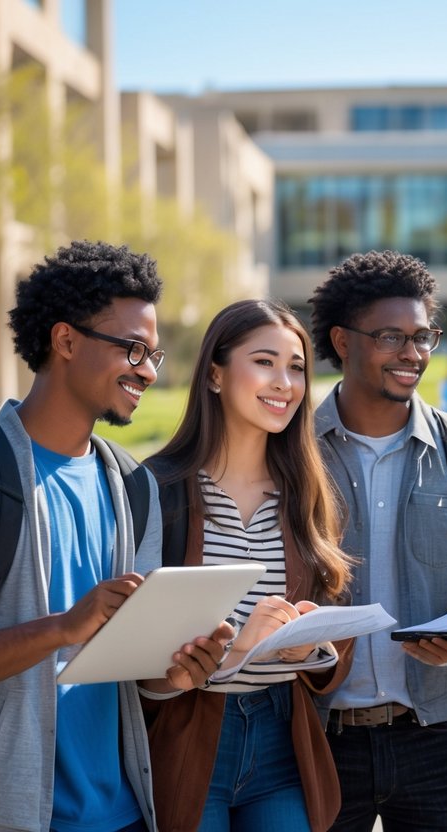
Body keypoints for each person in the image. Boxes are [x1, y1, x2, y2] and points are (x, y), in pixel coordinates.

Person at [0, 240, 229, 832]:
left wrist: (177, 672)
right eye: (133, 349)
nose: (147, 369)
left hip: (122, 815)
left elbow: (126, 667)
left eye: (155, 354)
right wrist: (64, 627)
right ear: (65, 341)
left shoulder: (134, 487)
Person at [308, 250, 447, 832]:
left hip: (436, 735)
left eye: (424, 337)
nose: (413, 353)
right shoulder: (291, 451)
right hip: (319, 737)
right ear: (342, 342)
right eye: (392, 336)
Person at [142, 298, 354, 832]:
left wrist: (311, 648)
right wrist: (238, 644)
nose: (285, 382)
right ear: (215, 373)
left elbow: (336, 630)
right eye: (265, 362)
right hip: (189, 737)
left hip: (283, 737)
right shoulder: (157, 489)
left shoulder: (306, 492)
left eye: (297, 367)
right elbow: (133, 654)